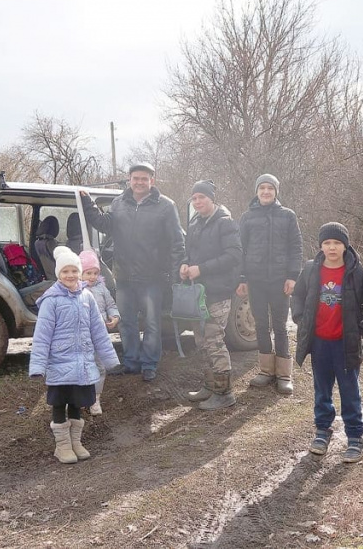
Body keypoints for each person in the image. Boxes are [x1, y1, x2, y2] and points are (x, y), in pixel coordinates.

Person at [80, 162, 185, 382]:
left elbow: (177, 242)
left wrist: (175, 277)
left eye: (144, 179)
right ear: (129, 179)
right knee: (127, 321)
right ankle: (131, 362)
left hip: (153, 276)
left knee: (152, 323)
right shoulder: (119, 203)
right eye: (135, 178)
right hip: (124, 276)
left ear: (151, 181)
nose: (139, 182)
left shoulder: (166, 206)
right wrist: (87, 203)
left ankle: (149, 364)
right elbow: (104, 223)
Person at [291, 222, 363, 463]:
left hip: (346, 344)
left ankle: (354, 437)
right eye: (327, 243)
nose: (332, 248)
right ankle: (322, 431)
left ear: (345, 245)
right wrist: (301, 320)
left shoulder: (357, 273)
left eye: (337, 243)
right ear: (321, 245)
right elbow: (298, 296)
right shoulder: (311, 270)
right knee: (322, 390)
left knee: (349, 391)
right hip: (320, 343)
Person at [29, 246, 120, 464]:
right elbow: (42, 336)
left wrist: (110, 360)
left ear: (80, 273)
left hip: (82, 364)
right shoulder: (51, 301)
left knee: (77, 404)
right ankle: (62, 446)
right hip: (60, 363)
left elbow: (98, 331)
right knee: (60, 404)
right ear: (58, 274)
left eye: (74, 271)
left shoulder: (87, 298)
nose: (70, 276)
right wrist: (38, 366)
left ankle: (76, 442)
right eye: (65, 272)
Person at [236, 173, 303, 396]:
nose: (266, 192)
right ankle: (266, 370)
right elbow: (240, 250)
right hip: (255, 281)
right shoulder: (247, 217)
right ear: (256, 191)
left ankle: (284, 374)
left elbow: (296, 247)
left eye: (270, 188)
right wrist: (242, 278)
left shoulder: (288, 216)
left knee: (280, 326)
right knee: (261, 325)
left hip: (280, 280)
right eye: (262, 188)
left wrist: (293, 276)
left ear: (276, 192)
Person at [180, 180, 242, 410]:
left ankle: (225, 393)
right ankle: (210, 386)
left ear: (211, 198)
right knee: (201, 341)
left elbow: (234, 255)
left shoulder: (225, 223)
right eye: (194, 198)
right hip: (198, 293)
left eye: (201, 197)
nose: (197, 202)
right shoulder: (195, 223)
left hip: (217, 292)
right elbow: (188, 253)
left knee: (214, 341)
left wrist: (202, 268)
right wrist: (185, 265)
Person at [79, 248, 120, 416]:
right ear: (80, 273)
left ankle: (95, 398)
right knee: (81, 366)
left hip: (99, 336)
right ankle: (80, 397)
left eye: (95, 273)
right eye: (88, 273)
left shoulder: (102, 289)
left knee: (100, 366)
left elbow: (111, 305)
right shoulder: (77, 291)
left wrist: (114, 316)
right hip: (81, 337)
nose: (92, 277)